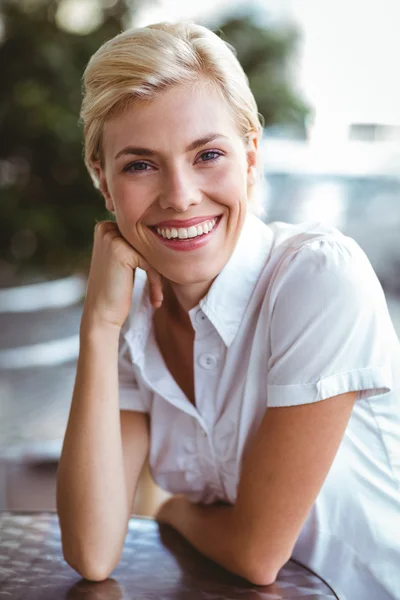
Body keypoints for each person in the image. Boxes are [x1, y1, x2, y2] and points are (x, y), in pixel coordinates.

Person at [56, 21, 400, 599]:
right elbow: (92, 551)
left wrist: (173, 511)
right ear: (105, 183)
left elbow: (257, 552)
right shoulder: (132, 317)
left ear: (250, 156)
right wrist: (99, 324)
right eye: (140, 164)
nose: (181, 194)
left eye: (207, 154)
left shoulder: (319, 277)